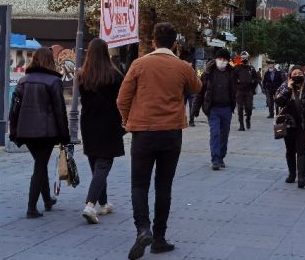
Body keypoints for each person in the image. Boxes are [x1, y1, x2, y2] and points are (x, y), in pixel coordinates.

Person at [117, 23, 202, 260]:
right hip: (171, 132)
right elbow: (197, 87)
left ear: (153, 41)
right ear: (174, 43)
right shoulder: (182, 66)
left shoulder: (139, 64)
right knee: (164, 186)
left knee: (139, 184)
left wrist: (127, 120)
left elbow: (122, 98)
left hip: (143, 132)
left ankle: (142, 228)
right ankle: (159, 238)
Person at [9, 47, 70, 219]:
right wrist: (65, 135)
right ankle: (31, 207)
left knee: (40, 163)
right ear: (50, 61)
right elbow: (60, 110)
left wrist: (13, 130)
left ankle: (47, 201)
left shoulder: (23, 81)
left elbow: (14, 109)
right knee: (40, 166)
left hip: (26, 131)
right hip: (46, 133)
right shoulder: (53, 81)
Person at [78, 38, 125, 224]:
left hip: (88, 123)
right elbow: (121, 101)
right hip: (109, 124)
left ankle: (103, 203)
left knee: (96, 165)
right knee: (103, 165)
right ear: (106, 53)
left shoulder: (82, 75)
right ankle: (90, 205)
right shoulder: (115, 76)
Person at [274, 66, 305, 188]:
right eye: (294, 73)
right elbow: (278, 101)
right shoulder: (284, 87)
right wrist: (288, 88)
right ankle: (292, 174)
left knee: (301, 151)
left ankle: (302, 177)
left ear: (303, 75)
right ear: (290, 75)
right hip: (288, 124)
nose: (297, 75)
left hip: (303, 125)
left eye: (299, 73)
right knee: (290, 151)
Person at [192, 49, 237, 169]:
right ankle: (215, 159)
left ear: (228, 61)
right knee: (215, 133)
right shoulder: (207, 74)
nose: (222, 61)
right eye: (220, 59)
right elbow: (200, 92)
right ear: (215, 59)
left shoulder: (232, 73)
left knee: (224, 134)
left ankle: (221, 157)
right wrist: (195, 109)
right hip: (213, 109)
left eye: (224, 59)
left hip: (227, 108)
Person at [233, 51, 259, 131]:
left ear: (248, 58)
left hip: (248, 91)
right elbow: (232, 79)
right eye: (243, 57)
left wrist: (252, 85)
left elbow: (256, 78)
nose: (244, 59)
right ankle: (241, 125)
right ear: (241, 58)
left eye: (245, 57)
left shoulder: (251, 68)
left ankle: (248, 119)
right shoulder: (236, 68)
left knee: (249, 108)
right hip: (239, 91)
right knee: (240, 108)